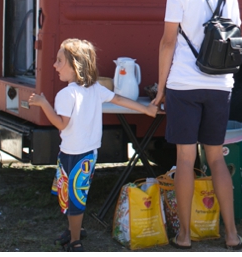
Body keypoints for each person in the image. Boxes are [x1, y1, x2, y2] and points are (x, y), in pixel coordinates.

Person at [151, 0, 242, 250]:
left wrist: (160, 89)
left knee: (186, 157)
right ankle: (231, 233)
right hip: (221, 83)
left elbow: (168, 42)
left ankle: (184, 234)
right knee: (216, 158)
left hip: (184, 84)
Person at [28, 38, 159, 252]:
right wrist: (146, 110)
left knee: (72, 199)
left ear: (75, 65)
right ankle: (73, 232)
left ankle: (75, 241)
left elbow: (61, 123)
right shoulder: (95, 89)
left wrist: (44, 104)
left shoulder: (65, 95)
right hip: (88, 154)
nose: (54, 65)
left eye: (59, 61)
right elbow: (118, 99)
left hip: (71, 154)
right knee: (74, 195)